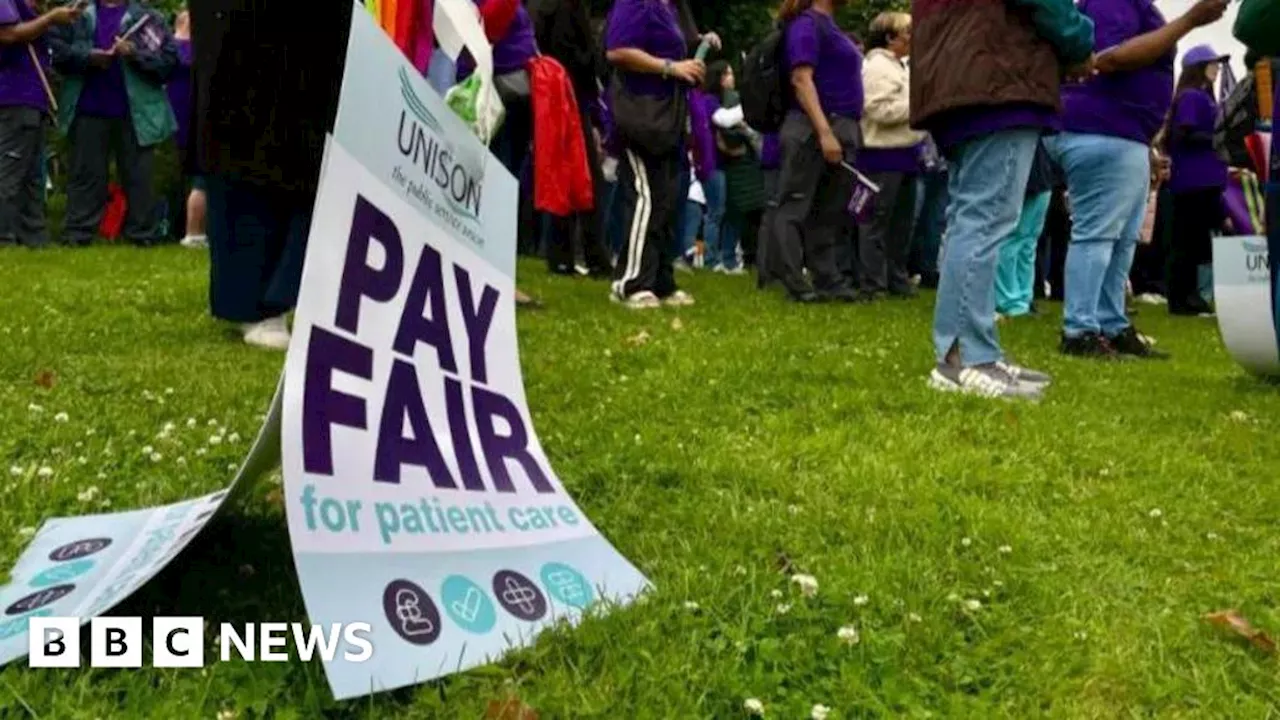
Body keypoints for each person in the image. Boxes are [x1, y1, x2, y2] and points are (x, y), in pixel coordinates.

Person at [911, 0, 1094, 398]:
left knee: (971, 219)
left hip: (964, 78)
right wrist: (1081, 40)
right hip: (998, 78)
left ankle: (971, 351)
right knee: (985, 220)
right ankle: (964, 358)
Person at [1044, 0, 1227, 360]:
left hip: (1123, 133)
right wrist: (1189, 21)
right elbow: (1109, 58)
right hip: (1101, 126)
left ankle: (1111, 324)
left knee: (1122, 239)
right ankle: (1079, 329)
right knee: (1096, 233)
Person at [188, 0, 351, 348]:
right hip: (244, 48)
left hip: (313, 49)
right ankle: (256, 304)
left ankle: (283, 297)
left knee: (313, 164)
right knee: (248, 153)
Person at [604, 0, 716, 309]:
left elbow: (683, 46)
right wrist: (669, 67)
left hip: (668, 116)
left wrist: (697, 52)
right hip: (641, 113)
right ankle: (631, 281)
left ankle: (661, 281)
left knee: (668, 199)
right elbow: (617, 50)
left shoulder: (671, 7)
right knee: (646, 197)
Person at [48, 0, 178, 247]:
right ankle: (78, 235)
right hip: (87, 108)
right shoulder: (76, 13)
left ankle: (142, 236)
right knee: (85, 176)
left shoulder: (147, 18)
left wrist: (134, 54)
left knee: (140, 178)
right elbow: (55, 53)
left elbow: (169, 63)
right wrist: (88, 57)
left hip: (136, 113)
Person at [771, 0, 862, 303]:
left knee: (829, 208)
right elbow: (801, 79)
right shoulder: (807, 24)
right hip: (814, 125)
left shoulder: (830, 25)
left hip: (840, 124)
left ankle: (827, 277)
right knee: (794, 204)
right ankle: (794, 281)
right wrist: (824, 132)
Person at [528, 0, 613, 278]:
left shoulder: (545, 9)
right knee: (587, 182)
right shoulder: (569, 8)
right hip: (570, 98)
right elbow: (578, 58)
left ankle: (561, 255)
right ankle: (592, 256)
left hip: (553, 94)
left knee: (562, 177)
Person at [0, 0, 81, 249]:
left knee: (33, 174)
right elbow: (8, 34)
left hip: (32, 99)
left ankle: (33, 236)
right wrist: (50, 19)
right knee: (9, 171)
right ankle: (4, 236)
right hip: (13, 96)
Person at [856, 11, 922, 301]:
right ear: (889, 38)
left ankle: (896, 278)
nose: (912, 37)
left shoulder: (898, 66)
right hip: (881, 155)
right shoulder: (877, 67)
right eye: (907, 32)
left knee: (901, 225)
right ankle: (874, 283)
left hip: (904, 153)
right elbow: (878, 109)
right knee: (876, 222)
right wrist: (918, 106)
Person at [1163, 44, 1229, 317]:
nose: (1216, 68)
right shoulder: (1192, 97)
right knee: (1186, 241)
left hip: (1204, 179)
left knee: (1196, 240)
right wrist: (1217, 139)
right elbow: (1184, 134)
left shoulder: (1204, 97)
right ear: (1198, 68)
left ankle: (1191, 296)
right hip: (1193, 180)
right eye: (1211, 63)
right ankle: (1181, 298)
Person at [995, 141, 1054, 317]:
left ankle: (1023, 298)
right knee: (1014, 239)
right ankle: (1008, 300)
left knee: (1028, 241)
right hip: (1026, 175)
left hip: (1040, 175)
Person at [168, 7, 205, 250]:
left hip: (175, 115)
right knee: (199, 178)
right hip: (192, 115)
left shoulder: (168, 47)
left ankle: (179, 226)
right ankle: (192, 230)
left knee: (182, 175)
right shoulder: (189, 50)